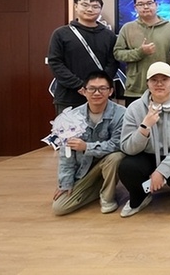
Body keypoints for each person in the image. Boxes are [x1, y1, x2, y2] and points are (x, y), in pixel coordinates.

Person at [118, 62, 170, 217]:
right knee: (127, 168)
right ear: (147, 83)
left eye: (164, 79)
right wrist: (144, 127)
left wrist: (161, 172)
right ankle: (141, 196)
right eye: (154, 80)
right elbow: (127, 147)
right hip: (146, 153)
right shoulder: (134, 108)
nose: (159, 84)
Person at [51, 71, 125, 215]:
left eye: (102, 88)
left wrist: (86, 147)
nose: (97, 93)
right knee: (59, 208)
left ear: (110, 91)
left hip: (108, 165)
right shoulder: (72, 117)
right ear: (84, 91)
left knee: (116, 157)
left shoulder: (121, 114)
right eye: (92, 89)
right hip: (84, 172)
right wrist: (65, 182)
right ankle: (97, 189)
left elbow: (117, 145)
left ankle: (108, 197)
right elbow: (66, 154)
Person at [48, 0, 118, 114]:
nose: (90, 9)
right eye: (85, 5)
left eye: (95, 6)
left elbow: (113, 62)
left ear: (100, 10)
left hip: (100, 95)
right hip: (69, 97)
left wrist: (98, 86)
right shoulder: (61, 34)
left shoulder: (109, 35)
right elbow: (55, 63)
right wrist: (80, 86)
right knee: (69, 127)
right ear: (76, 6)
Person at [114, 0, 170, 107]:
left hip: (163, 88)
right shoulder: (127, 28)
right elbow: (118, 53)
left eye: (149, 3)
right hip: (136, 88)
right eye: (141, 4)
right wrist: (140, 52)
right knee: (135, 119)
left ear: (156, 5)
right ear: (135, 7)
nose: (146, 7)